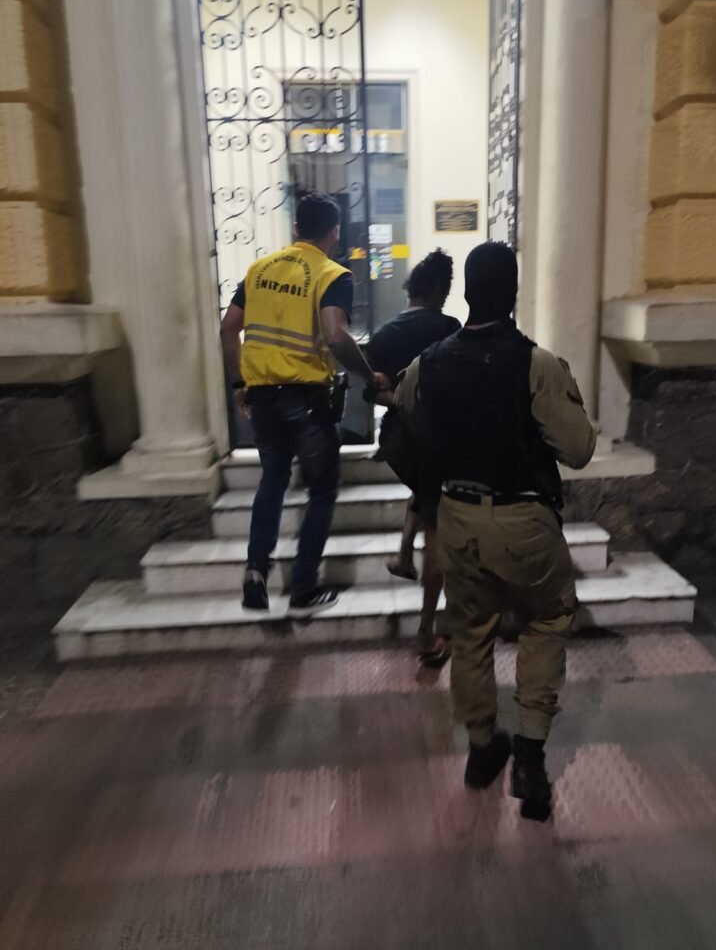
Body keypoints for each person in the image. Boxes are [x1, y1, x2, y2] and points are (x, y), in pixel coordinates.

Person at [395, 241, 596, 821]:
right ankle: (529, 756)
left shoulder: (430, 362)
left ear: (465, 293)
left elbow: (403, 408)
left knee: (471, 631)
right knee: (547, 620)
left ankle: (483, 749)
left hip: (457, 518)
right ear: (513, 294)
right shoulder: (537, 364)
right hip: (523, 520)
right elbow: (579, 449)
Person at [220, 193, 384, 617]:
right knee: (322, 490)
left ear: (296, 228)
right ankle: (303, 587)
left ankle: (255, 572)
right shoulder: (333, 274)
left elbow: (229, 328)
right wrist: (369, 375)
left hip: (262, 396)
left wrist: (239, 382)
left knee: (273, 479)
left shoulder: (259, 269)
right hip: (306, 399)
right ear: (335, 233)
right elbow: (334, 334)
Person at [366, 249, 460, 667]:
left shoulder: (384, 334)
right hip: (438, 438)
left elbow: (372, 394)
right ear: (438, 289)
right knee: (436, 528)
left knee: (424, 489)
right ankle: (426, 630)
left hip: (398, 441)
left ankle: (405, 554)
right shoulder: (449, 329)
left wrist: (398, 399)